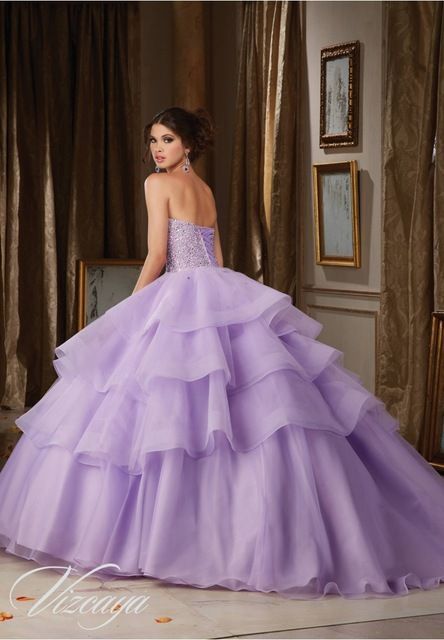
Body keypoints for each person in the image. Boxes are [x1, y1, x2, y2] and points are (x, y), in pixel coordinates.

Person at [0, 106, 444, 601]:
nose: (157, 149)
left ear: (188, 144)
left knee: (166, 411)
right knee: (239, 407)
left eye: (167, 140)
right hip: (219, 289)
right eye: (153, 141)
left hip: (178, 291)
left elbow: (158, 255)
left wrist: (129, 311)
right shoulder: (206, 189)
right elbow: (217, 259)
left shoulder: (157, 184)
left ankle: (172, 537)